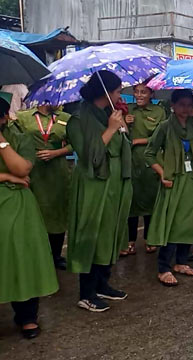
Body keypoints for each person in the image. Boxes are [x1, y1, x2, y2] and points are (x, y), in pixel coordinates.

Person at [66, 70, 132, 312]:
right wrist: (111, 129)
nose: (119, 94)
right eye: (117, 91)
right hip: (94, 185)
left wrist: (120, 125)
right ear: (104, 91)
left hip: (115, 183)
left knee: (109, 233)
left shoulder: (109, 114)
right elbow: (89, 156)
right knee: (91, 234)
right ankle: (86, 292)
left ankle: (103, 283)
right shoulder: (78, 119)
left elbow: (124, 145)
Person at [0, 91, 59, 339]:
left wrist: (0, 141)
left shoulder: (20, 137)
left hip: (16, 203)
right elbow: (15, 174)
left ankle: (27, 316)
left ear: (5, 118)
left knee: (23, 257)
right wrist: (6, 177)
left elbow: (23, 168)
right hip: (9, 187)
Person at [145, 90, 193, 286]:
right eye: (181, 104)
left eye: (189, 104)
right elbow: (149, 154)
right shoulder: (165, 127)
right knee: (172, 224)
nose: (185, 109)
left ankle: (181, 262)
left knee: (190, 223)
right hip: (174, 181)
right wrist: (162, 173)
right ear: (172, 105)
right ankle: (164, 267)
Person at [12, 102, 72, 269]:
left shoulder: (66, 118)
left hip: (57, 172)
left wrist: (56, 152)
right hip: (32, 170)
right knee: (33, 212)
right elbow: (14, 139)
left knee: (57, 213)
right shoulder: (23, 117)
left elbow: (75, 143)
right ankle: (34, 256)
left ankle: (56, 256)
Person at [123, 82, 166, 256]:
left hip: (150, 161)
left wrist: (139, 141)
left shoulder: (159, 112)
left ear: (151, 95)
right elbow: (119, 133)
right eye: (136, 92)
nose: (139, 95)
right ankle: (130, 240)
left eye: (143, 92)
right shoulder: (127, 110)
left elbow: (160, 136)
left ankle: (149, 238)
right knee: (131, 202)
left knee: (150, 200)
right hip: (131, 162)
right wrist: (125, 124)